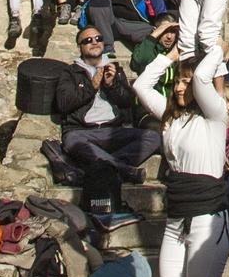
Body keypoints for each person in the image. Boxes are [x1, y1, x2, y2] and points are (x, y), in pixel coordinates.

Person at [135, 42, 229, 277]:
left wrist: (217, 50)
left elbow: (204, 76)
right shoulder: (170, 117)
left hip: (208, 217)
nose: (180, 88)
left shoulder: (215, 115)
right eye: (177, 82)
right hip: (176, 219)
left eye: (186, 82)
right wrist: (171, 56)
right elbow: (142, 86)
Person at [57, 26, 160, 196]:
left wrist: (112, 85)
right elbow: (63, 104)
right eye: (88, 40)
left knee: (153, 137)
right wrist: (91, 87)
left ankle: (107, 166)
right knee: (71, 141)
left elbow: (127, 101)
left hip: (113, 131)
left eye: (98, 38)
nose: (94, 42)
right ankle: (124, 170)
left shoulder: (114, 69)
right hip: (83, 132)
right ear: (80, 46)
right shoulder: (70, 72)